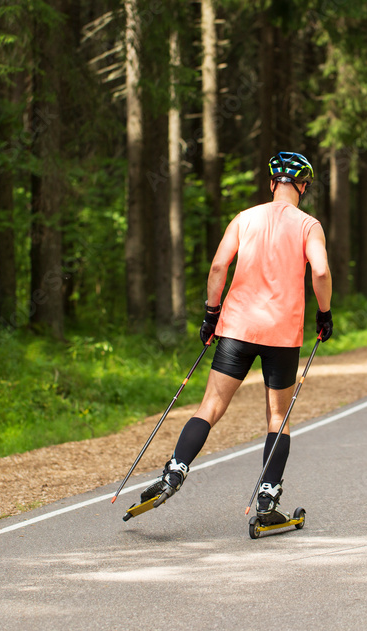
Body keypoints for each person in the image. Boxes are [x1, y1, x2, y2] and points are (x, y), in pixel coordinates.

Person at [140, 151, 334, 522]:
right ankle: (266, 498)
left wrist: (211, 314)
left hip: (237, 328)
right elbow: (321, 272)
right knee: (278, 416)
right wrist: (324, 314)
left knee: (210, 407)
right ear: (303, 187)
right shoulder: (309, 225)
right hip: (282, 334)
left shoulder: (245, 219)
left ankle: (175, 470)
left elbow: (218, 265)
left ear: (272, 183)